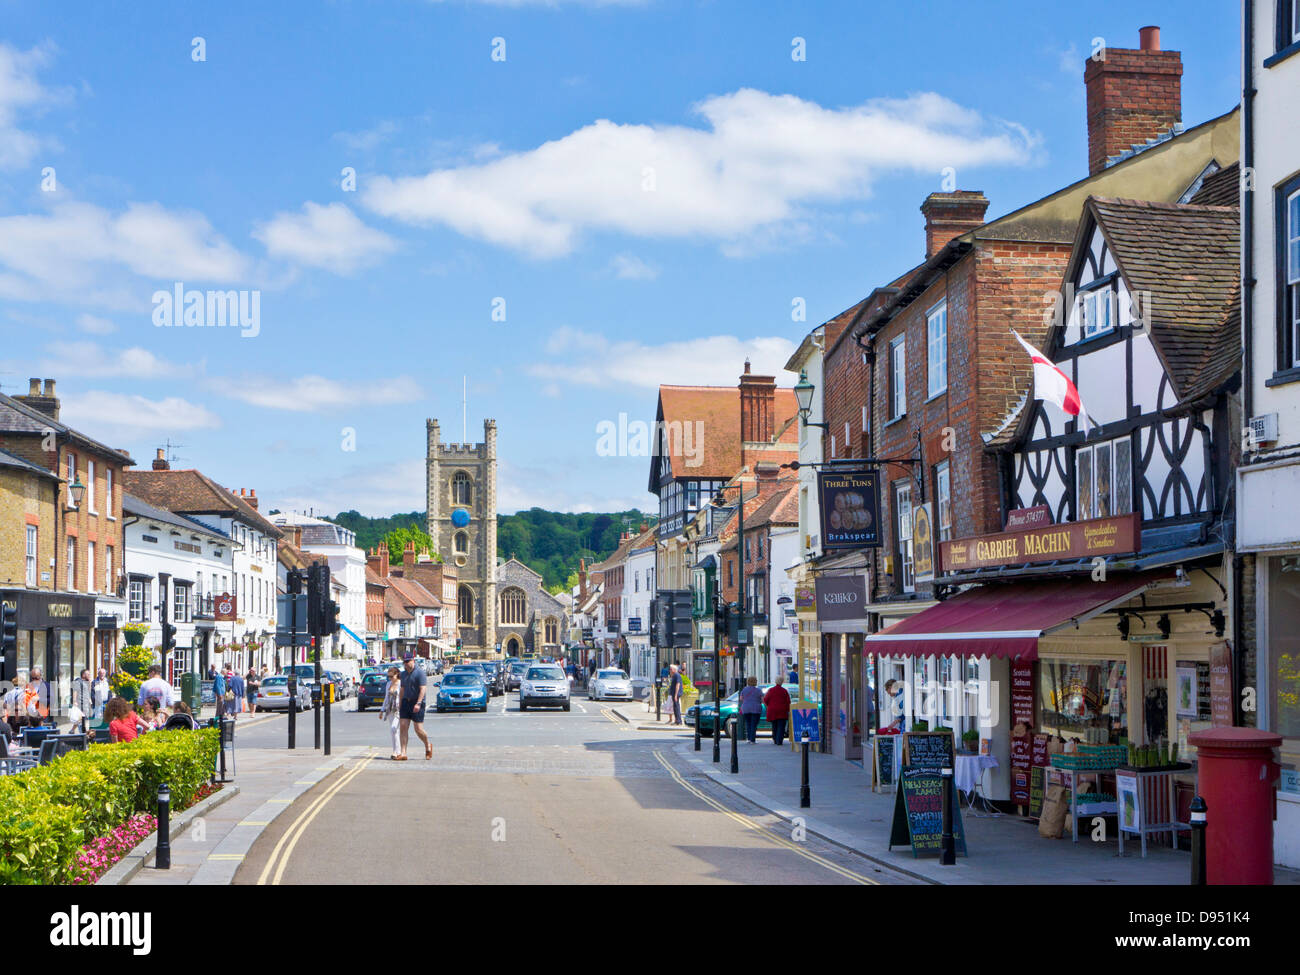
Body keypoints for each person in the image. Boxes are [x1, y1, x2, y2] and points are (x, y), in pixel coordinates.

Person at [398, 653, 430, 760]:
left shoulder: (420, 673)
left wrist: (419, 703)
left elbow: (423, 689)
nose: (406, 664)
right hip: (406, 702)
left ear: (413, 661)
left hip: (417, 703)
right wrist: (400, 702)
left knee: (418, 729)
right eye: (404, 662)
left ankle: (427, 745)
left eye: (408, 661)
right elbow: (402, 689)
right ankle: (403, 753)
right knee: (403, 726)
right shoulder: (403, 674)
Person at [380, 666, 402, 760]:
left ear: (396, 674)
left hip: (398, 709)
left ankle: (398, 751)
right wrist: (382, 710)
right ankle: (396, 751)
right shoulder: (388, 684)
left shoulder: (401, 684)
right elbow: (386, 698)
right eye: (388, 676)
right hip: (390, 709)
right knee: (393, 731)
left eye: (391, 676)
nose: (390, 678)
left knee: (394, 728)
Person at [764, 674, 792, 746]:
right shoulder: (784, 691)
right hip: (782, 710)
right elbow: (788, 701)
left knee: (774, 725)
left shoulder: (771, 690)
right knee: (781, 726)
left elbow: (765, 699)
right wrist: (788, 709)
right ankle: (779, 740)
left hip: (773, 710)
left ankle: (775, 739)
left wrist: (768, 706)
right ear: (782, 682)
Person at [739, 676, 763, 743]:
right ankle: (753, 739)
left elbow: (741, 698)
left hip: (746, 708)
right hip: (756, 709)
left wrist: (747, 701)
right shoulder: (758, 690)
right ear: (755, 682)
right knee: (754, 724)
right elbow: (762, 699)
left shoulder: (744, 689)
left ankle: (749, 739)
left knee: (748, 724)